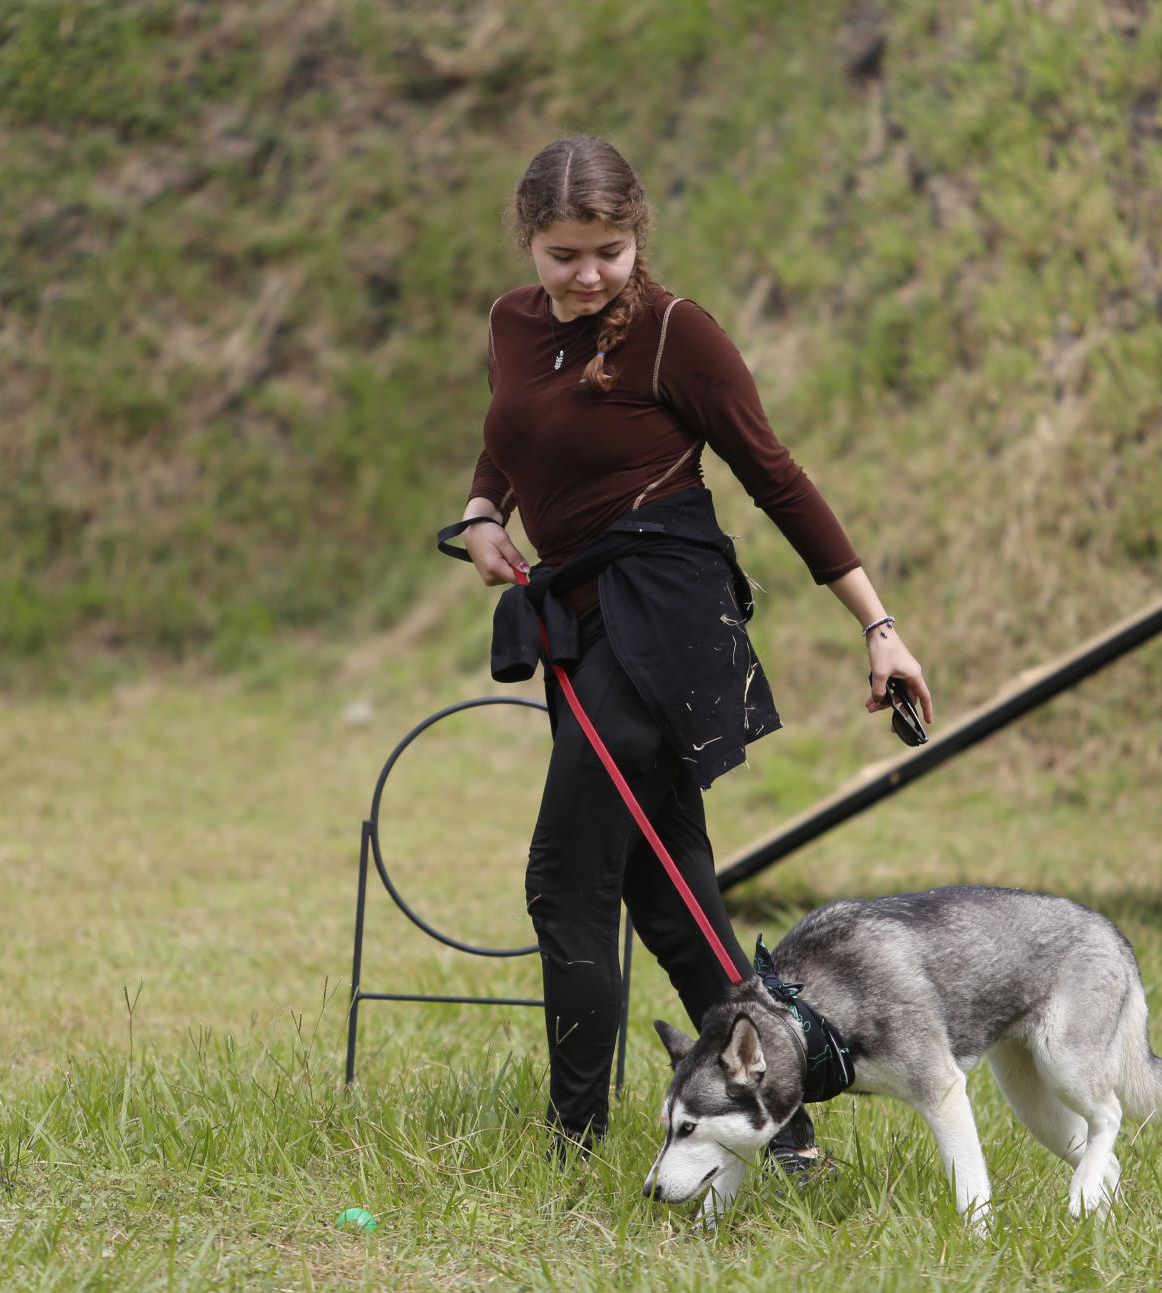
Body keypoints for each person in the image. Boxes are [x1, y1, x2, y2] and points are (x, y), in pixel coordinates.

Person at [454, 136, 934, 1168]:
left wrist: (877, 625)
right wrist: (483, 507)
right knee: (670, 893)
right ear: (527, 242)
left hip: (662, 618)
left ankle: (572, 1142)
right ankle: (788, 1131)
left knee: (564, 877)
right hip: (579, 619)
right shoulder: (511, 321)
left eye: (610, 251)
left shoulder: (676, 334)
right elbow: (516, 424)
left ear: (638, 238)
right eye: (563, 253)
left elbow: (775, 475)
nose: (587, 275)